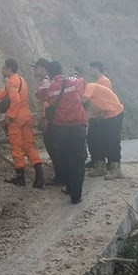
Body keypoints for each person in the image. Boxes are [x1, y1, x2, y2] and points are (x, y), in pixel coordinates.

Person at [0, 59, 45, 188]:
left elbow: (15, 100)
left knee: (16, 147)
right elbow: (4, 93)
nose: (2, 70)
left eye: (3, 68)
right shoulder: (21, 80)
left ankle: (20, 177)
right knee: (29, 146)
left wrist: (8, 117)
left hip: (17, 120)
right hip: (26, 116)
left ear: (8, 69)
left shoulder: (10, 81)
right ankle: (40, 177)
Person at [37, 61, 87, 203]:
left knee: (65, 158)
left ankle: (69, 187)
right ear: (61, 71)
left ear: (50, 73)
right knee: (77, 160)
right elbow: (82, 82)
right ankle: (75, 195)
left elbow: (40, 95)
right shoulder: (72, 81)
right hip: (78, 126)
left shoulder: (50, 86)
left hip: (60, 129)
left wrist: (46, 80)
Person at [30, 58, 64, 186]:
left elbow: (45, 101)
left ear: (43, 68)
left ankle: (61, 177)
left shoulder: (46, 81)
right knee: (55, 149)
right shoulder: (49, 80)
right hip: (52, 118)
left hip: (48, 119)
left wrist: (43, 119)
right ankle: (61, 175)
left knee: (54, 148)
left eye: (36, 67)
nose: (34, 71)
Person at [82, 83, 125, 180]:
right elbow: (93, 109)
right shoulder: (92, 97)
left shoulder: (89, 87)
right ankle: (100, 166)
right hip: (103, 115)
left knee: (112, 141)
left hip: (114, 113)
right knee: (94, 139)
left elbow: (83, 100)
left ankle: (116, 169)